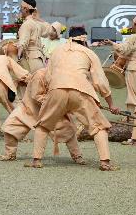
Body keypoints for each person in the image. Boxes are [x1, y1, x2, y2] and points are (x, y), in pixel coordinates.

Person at [28, 27, 120, 170]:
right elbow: (100, 82)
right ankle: (105, 162)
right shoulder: (89, 53)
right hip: (81, 90)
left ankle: (36, 160)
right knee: (99, 126)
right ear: (84, 39)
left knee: (43, 125)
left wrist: (54, 100)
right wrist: (111, 105)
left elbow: (48, 76)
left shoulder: (56, 51)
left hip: (56, 89)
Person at [0, 67, 87, 164]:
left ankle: (77, 156)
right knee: (11, 128)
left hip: (52, 110)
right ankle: (10, 153)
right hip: (30, 107)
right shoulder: (40, 75)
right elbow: (36, 95)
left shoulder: (66, 76)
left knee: (68, 131)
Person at [102, 15, 136, 114]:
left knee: (132, 92)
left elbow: (123, 49)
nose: (131, 26)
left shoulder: (134, 37)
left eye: (133, 24)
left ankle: (133, 115)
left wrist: (112, 43)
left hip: (134, 67)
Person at [16, 0, 47, 72]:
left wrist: (18, 59)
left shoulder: (27, 24)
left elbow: (22, 43)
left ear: (26, 9)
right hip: (40, 61)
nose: (20, 10)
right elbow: (47, 30)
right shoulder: (37, 24)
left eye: (21, 8)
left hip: (31, 62)